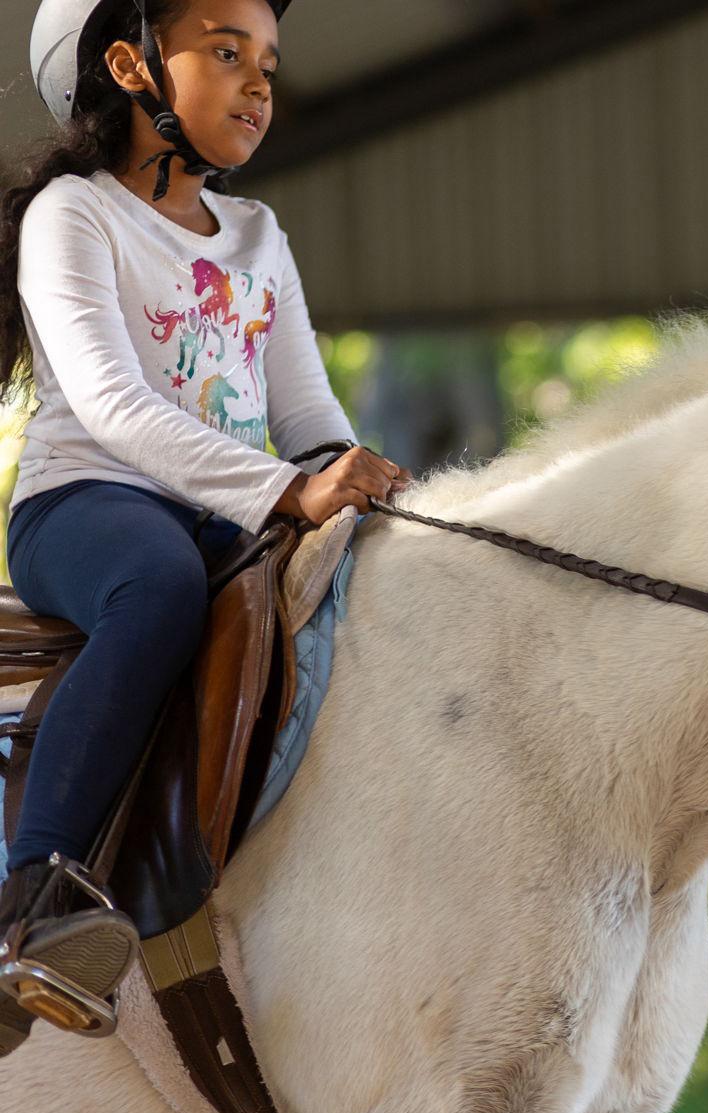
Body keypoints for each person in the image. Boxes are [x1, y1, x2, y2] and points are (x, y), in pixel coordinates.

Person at [0, 0, 406, 1051]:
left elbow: (309, 419)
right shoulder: (74, 217)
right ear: (132, 65)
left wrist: (363, 489)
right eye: (225, 53)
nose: (260, 83)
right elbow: (113, 407)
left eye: (267, 60)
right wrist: (285, 494)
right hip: (87, 505)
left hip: (227, 513)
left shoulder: (259, 235)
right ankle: (34, 892)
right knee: (159, 589)